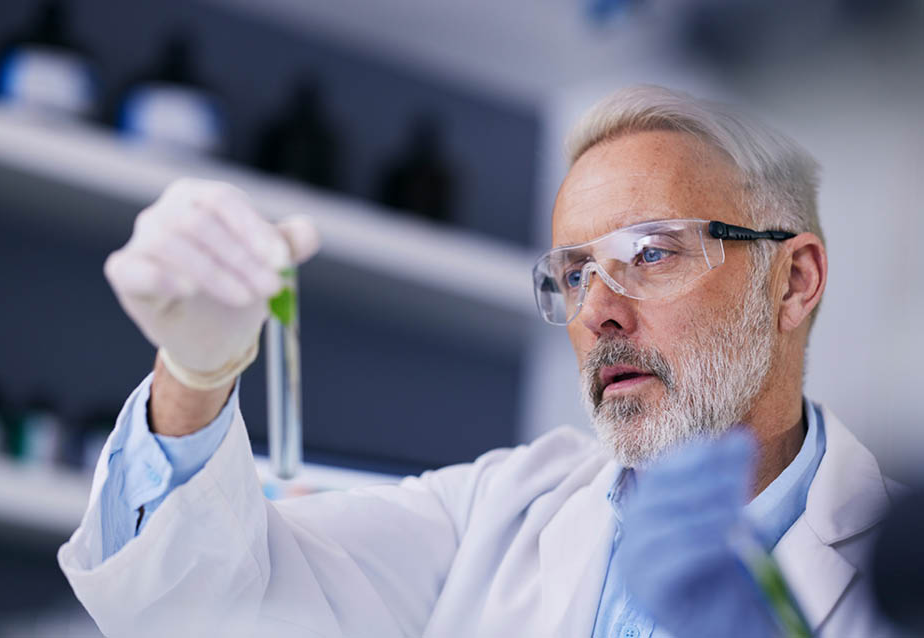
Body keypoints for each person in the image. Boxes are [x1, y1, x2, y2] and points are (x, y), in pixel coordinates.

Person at [58, 86, 903, 637]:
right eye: (573, 274)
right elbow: (202, 603)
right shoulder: (497, 515)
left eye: (649, 253)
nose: (598, 309)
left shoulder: (899, 563)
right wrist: (196, 374)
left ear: (794, 281)